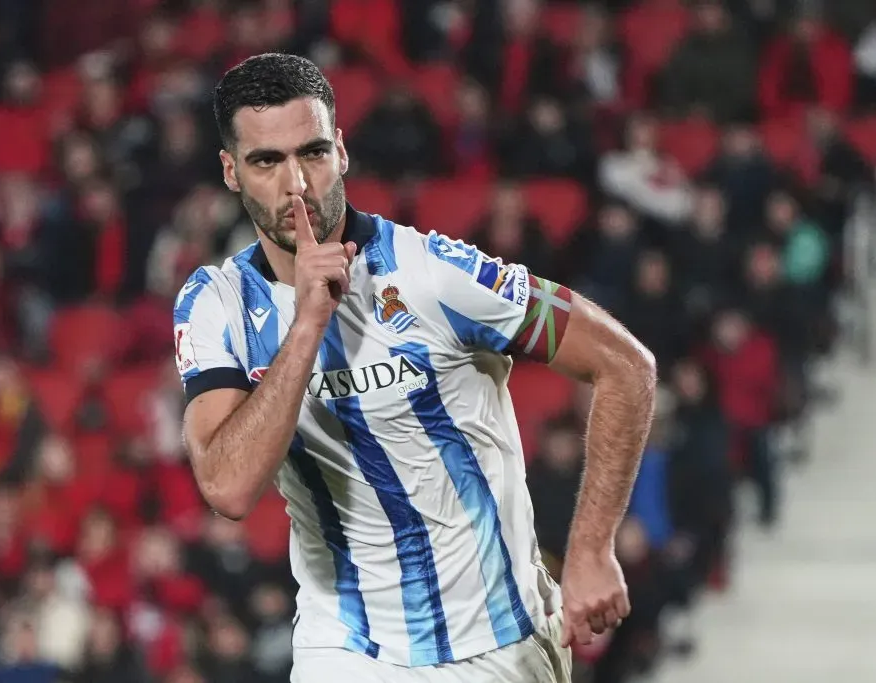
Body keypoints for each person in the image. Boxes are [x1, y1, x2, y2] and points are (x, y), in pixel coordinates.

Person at [174, 53, 657, 682]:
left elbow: (626, 365)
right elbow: (228, 487)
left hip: (494, 643)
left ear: (342, 152)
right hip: (343, 646)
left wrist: (592, 549)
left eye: (313, 153)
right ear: (231, 171)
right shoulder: (215, 303)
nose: (297, 183)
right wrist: (308, 325)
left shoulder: (436, 273)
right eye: (268, 161)